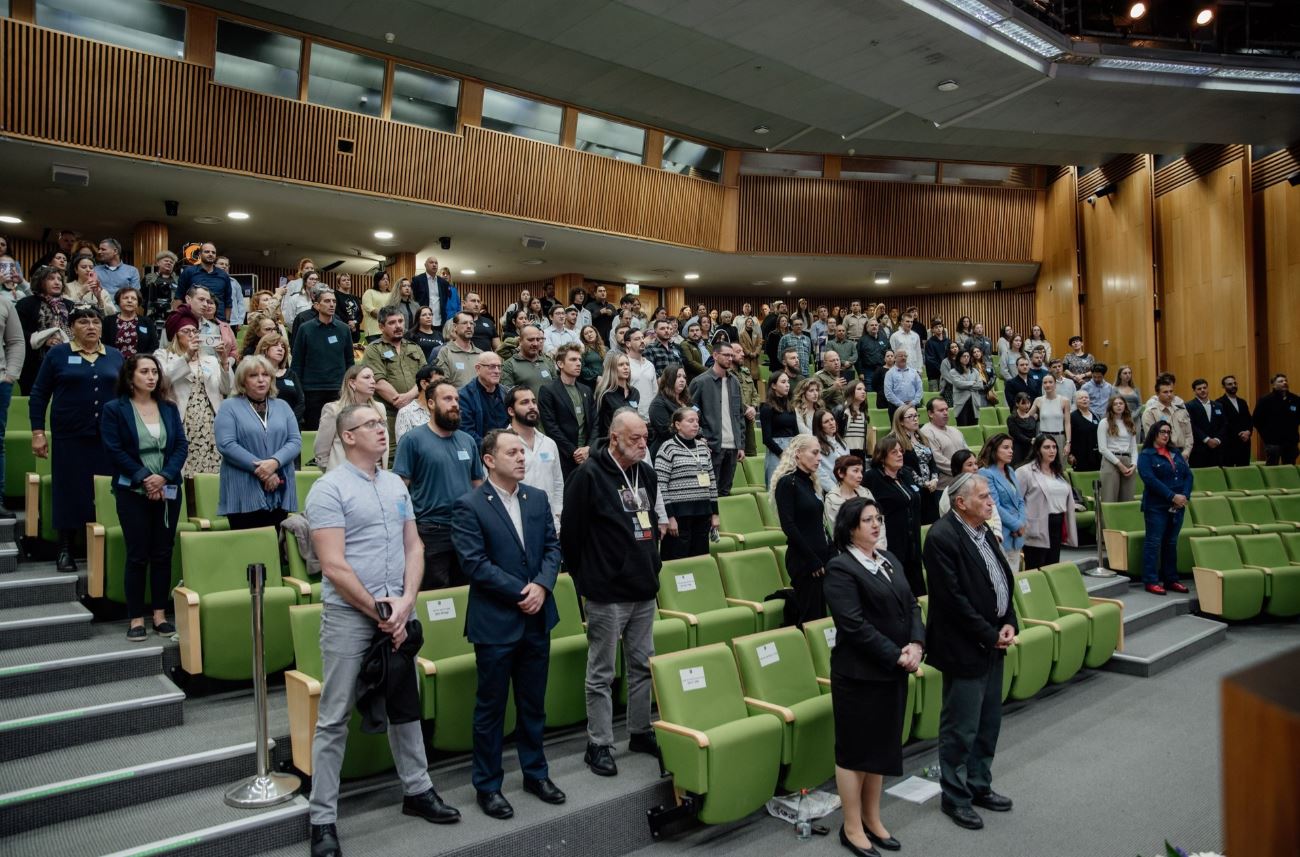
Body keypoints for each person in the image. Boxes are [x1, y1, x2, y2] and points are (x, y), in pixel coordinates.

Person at [306, 404, 461, 857]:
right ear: (347, 436)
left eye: (381, 423)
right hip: (351, 617)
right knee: (334, 717)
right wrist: (380, 611)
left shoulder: (395, 483)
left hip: (398, 610)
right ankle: (322, 819)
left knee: (405, 704)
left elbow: (414, 544)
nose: (382, 430)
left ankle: (417, 790)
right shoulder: (328, 488)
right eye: (371, 424)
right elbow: (333, 565)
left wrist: (406, 602)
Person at [449, 429, 566, 820]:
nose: (521, 458)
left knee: (534, 705)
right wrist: (524, 591)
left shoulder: (537, 498)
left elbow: (552, 548)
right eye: (512, 452)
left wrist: (544, 586)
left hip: (537, 620)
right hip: (497, 622)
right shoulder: (470, 505)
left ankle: (536, 773)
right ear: (488, 459)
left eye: (523, 452)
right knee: (491, 709)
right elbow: (474, 564)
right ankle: (488, 785)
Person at [560, 410, 662, 777]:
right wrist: (588, 578)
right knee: (602, 672)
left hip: (643, 587)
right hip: (606, 593)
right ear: (614, 437)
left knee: (641, 665)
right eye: (635, 438)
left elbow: (648, 523)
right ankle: (599, 742)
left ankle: (639, 730)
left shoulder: (646, 473)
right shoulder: (587, 476)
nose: (642, 444)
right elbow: (570, 537)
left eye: (645, 438)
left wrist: (654, 568)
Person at [825, 496, 922, 857]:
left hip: (894, 670)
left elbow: (912, 604)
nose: (876, 525)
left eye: (878, 519)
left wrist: (916, 644)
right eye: (868, 520)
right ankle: (851, 828)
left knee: (881, 747)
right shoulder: (841, 568)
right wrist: (897, 655)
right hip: (859, 675)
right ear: (851, 528)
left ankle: (872, 818)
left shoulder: (889, 560)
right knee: (855, 752)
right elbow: (854, 625)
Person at [925, 472, 1018, 831]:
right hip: (964, 644)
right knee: (961, 727)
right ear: (961, 502)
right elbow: (952, 600)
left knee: (988, 722)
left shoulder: (983, 532)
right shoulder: (942, 537)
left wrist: (1009, 619)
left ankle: (980, 785)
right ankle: (955, 796)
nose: (990, 500)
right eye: (983, 496)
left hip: (993, 640)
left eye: (989, 494)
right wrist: (989, 633)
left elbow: (1002, 581)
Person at [29, 306, 124, 572]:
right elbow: (38, 395)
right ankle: (65, 548)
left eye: (95, 321)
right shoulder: (58, 355)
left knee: (107, 491)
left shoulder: (114, 356)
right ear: (72, 327)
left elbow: (127, 397)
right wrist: (38, 433)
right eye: (83, 322)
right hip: (69, 436)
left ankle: (105, 548)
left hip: (108, 437)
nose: (91, 326)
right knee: (69, 490)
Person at [100, 354, 187, 641]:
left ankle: (160, 614)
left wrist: (163, 477)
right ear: (130, 377)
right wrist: (145, 478)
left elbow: (180, 447)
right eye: (144, 372)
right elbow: (113, 449)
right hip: (132, 490)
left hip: (169, 488)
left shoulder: (169, 408)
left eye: (154, 372)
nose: (151, 377)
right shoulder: (115, 409)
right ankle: (136, 617)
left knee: (163, 553)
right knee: (137, 555)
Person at [394, 380, 484, 589]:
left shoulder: (467, 441)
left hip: (466, 529)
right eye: (447, 399)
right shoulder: (412, 440)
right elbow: (399, 490)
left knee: (467, 592)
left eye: (457, 399)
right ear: (431, 403)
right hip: (430, 530)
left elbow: (478, 485)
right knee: (436, 598)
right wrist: (410, 534)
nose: (455, 404)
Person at [215, 356, 301, 531]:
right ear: (242, 381)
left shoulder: (282, 406)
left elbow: (295, 441)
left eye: (266, 375)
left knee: (275, 548)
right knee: (247, 549)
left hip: (280, 484)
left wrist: (274, 463)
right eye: (253, 375)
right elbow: (227, 444)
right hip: (243, 486)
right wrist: (264, 472)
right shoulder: (229, 406)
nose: (261, 380)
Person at [156, 307, 231, 477]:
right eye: (186, 331)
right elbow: (162, 381)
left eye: (194, 331)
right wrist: (187, 357)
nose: (192, 334)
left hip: (208, 423)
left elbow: (226, 389)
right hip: (181, 421)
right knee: (182, 472)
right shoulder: (163, 355)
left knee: (210, 474)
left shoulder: (210, 359)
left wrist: (224, 362)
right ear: (175, 334)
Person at [772, 435, 832, 624]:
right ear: (798, 454)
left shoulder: (809, 482)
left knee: (821, 615)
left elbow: (818, 524)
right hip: (804, 561)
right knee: (811, 619)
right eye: (814, 452)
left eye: (820, 453)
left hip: (820, 560)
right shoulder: (787, 483)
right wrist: (812, 560)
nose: (819, 458)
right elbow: (789, 526)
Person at [1136, 420, 1194, 596]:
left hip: (1178, 505)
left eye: (1168, 432)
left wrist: (1184, 496)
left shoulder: (1175, 452)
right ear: (1154, 433)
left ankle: (1171, 579)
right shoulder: (1146, 455)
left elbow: (1188, 475)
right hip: (1157, 506)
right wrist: (1172, 496)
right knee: (1154, 543)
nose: (1166, 435)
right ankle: (1151, 580)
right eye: (1163, 431)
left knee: (1171, 543)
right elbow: (1150, 480)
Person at [654, 407, 719, 561]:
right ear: (677, 424)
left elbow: (712, 481)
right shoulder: (667, 448)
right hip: (678, 516)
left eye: (697, 421)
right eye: (690, 421)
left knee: (700, 560)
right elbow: (660, 485)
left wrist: (715, 514)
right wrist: (668, 517)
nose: (696, 424)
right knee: (678, 561)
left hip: (702, 514)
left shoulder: (703, 447)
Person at [863, 435, 924, 597]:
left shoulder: (906, 474)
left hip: (913, 544)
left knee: (918, 593)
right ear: (882, 456)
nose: (900, 454)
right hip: (891, 545)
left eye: (901, 451)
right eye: (894, 452)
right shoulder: (872, 478)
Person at [688, 339, 747, 496]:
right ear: (715, 355)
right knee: (708, 493)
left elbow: (739, 415)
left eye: (731, 355)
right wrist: (701, 435)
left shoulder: (734, 381)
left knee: (725, 492)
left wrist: (740, 444)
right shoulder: (700, 382)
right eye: (726, 355)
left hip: (732, 447)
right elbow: (690, 413)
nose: (730, 358)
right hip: (712, 446)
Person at [292, 287, 355, 431]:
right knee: (313, 430)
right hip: (311, 390)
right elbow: (297, 362)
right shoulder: (305, 329)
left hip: (338, 389)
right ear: (317, 306)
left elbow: (350, 362)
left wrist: (349, 387)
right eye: (327, 301)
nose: (332, 304)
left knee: (339, 431)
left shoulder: (343, 329)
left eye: (333, 301)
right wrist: (299, 390)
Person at [506, 387, 564, 533]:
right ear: (511, 411)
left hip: (550, 524)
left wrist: (557, 512)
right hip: (515, 524)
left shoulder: (549, 443)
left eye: (533, 401)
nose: (532, 406)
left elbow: (558, 482)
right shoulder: (500, 444)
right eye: (524, 402)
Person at [1016, 434, 1077, 569]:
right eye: (1047, 447)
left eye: (1054, 447)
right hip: (1036, 526)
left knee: (1052, 566)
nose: (1052, 451)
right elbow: (1016, 501)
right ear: (1038, 450)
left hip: (1057, 523)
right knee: (1036, 568)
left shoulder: (1057, 472)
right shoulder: (1025, 472)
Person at [315, 364, 388, 472]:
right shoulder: (334, 410)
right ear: (352, 383)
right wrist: (333, 472)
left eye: (373, 377)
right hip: (343, 476)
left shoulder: (380, 408)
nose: (373, 381)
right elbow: (321, 450)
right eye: (367, 377)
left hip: (376, 475)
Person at [538, 344, 594, 481]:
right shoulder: (548, 390)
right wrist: (573, 452)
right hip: (564, 456)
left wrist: (589, 448)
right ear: (560, 364)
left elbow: (595, 422)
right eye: (573, 360)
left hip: (588, 455)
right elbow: (551, 426)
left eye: (580, 360)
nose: (578, 363)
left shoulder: (586, 390)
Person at [15, 265, 74, 394]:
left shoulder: (70, 305)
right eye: (51, 278)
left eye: (59, 279)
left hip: (67, 362)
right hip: (33, 363)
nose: (57, 282)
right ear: (40, 281)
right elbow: (17, 333)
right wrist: (44, 340)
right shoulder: (26, 303)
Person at [978, 433, 1027, 572]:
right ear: (994, 450)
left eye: (1011, 448)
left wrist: (1022, 523)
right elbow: (994, 506)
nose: (1011, 451)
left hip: (1017, 534)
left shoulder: (1010, 470)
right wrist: (1017, 525)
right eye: (1005, 447)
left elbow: (1020, 500)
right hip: (1003, 533)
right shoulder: (985, 473)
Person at [939, 450, 1004, 538]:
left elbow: (994, 513)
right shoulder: (949, 492)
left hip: (990, 537)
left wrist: (997, 535)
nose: (975, 468)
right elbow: (955, 521)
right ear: (958, 468)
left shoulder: (980, 486)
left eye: (976, 463)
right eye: (970, 465)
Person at [893, 405, 941, 525]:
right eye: (910, 416)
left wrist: (934, 479)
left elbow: (932, 461)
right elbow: (903, 467)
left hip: (930, 488)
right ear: (901, 421)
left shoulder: (922, 437)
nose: (915, 419)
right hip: (913, 489)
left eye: (916, 415)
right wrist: (922, 483)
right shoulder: (896, 441)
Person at [822, 454, 883, 540]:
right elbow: (837, 534)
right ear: (841, 473)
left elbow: (880, 521)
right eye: (855, 471)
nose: (860, 475)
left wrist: (880, 546)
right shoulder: (832, 500)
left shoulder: (866, 493)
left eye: (861, 471)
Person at [457, 352, 509, 448]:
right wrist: (491, 449)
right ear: (478, 368)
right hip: (483, 451)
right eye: (492, 367)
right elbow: (467, 432)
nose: (497, 371)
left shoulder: (507, 393)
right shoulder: (464, 396)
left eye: (499, 367)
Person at [919, 397, 968, 490]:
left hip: (963, 480)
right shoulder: (926, 432)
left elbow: (967, 452)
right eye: (941, 410)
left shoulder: (955, 430)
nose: (945, 413)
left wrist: (969, 467)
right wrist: (963, 471)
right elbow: (938, 461)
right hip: (944, 487)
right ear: (930, 414)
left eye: (946, 409)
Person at [1097, 395, 1139, 504]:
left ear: (1125, 405)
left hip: (1127, 461)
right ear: (1111, 407)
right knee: (1109, 499)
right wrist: (1119, 465)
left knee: (1127, 499)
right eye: (1115, 404)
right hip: (1111, 460)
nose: (1118, 406)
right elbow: (1102, 448)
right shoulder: (1104, 423)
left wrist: (1134, 465)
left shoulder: (1129, 422)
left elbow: (1134, 447)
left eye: (1121, 403)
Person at [760, 370, 798, 487]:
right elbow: (766, 439)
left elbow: (796, 432)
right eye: (783, 382)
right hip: (777, 451)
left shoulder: (790, 406)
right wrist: (782, 454)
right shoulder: (767, 407)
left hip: (792, 449)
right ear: (773, 385)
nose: (787, 385)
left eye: (788, 382)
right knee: (776, 487)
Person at [647, 363, 690, 459]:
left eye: (684, 377)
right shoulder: (658, 404)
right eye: (678, 376)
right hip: (666, 453)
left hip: (687, 450)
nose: (682, 380)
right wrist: (692, 434)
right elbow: (666, 432)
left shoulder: (687, 401)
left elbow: (698, 421)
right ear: (669, 379)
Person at [1255, 373, 1299, 465]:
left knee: (1290, 468)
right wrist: (1266, 436)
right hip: (1273, 442)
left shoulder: (1295, 399)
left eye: (1285, 381)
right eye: (1281, 381)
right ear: (1273, 385)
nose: (1284, 383)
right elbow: (1256, 420)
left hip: (1290, 441)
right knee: (1272, 468)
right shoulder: (1265, 400)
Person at [593, 352, 639, 440]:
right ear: (612, 369)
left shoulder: (635, 393)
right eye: (621, 365)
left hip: (631, 440)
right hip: (611, 442)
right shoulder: (605, 394)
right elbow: (598, 424)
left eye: (627, 364)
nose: (626, 367)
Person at [1186, 377, 1228, 469]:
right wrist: (1206, 439)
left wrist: (1217, 439)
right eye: (1199, 389)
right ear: (1194, 391)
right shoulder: (1189, 406)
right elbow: (1192, 425)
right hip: (1199, 448)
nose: (1203, 390)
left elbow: (1224, 424)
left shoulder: (1218, 405)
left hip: (1217, 449)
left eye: (1204, 388)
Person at [395, 365, 441, 443]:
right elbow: (404, 447)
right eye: (438, 383)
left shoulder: (443, 410)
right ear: (424, 384)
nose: (443, 387)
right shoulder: (406, 413)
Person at [411, 255, 459, 327]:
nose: (434, 265)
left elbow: (445, 300)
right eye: (431, 262)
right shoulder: (417, 280)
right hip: (422, 321)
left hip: (439, 321)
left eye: (436, 263)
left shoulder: (443, 283)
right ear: (425, 265)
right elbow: (413, 299)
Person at [1216, 375, 1254, 466]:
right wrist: (1240, 433)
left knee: (1243, 472)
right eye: (1230, 384)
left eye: (1235, 383)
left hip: (1244, 443)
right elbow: (1223, 423)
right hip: (1229, 443)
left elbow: (1249, 420)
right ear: (1223, 387)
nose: (1233, 386)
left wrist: (1248, 432)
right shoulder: (1219, 402)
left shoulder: (1242, 402)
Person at [1031, 373, 1071, 457]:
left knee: (1059, 467)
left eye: (1050, 382)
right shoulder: (1038, 400)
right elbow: (1027, 417)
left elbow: (1067, 423)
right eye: (1045, 382)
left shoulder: (1064, 401)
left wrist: (1068, 443)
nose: (1047, 385)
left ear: (1055, 384)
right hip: (1043, 437)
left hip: (1059, 437)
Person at [812, 408, 851, 494]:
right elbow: (820, 474)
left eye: (832, 419)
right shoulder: (816, 445)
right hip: (830, 491)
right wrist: (836, 492)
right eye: (826, 422)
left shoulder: (842, 443)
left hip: (846, 487)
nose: (831, 423)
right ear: (819, 426)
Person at [883, 349, 922, 420]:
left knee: (912, 429)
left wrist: (913, 402)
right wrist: (902, 405)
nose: (903, 358)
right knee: (897, 430)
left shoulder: (914, 372)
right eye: (900, 356)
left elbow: (919, 389)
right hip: (896, 408)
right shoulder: (889, 373)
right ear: (895, 358)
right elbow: (888, 393)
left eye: (905, 356)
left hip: (912, 407)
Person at [1069, 391, 1102, 472]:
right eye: (1081, 398)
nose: (1084, 400)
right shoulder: (1072, 416)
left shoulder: (1095, 416)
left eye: (1086, 398)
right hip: (1080, 455)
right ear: (1076, 401)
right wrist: (1070, 454)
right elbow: (1069, 436)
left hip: (1095, 455)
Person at [838, 380, 871, 459]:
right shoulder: (842, 410)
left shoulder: (863, 412)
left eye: (864, 390)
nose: (863, 392)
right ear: (851, 391)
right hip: (845, 452)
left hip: (860, 452)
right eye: (859, 389)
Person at [360, 270, 393, 342]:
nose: (386, 281)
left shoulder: (391, 295)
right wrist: (388, 317)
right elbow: (372, 312)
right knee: (377, 353)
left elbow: (394, 311)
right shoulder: (369, 292)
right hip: (373, 332)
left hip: (388, 331)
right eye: (383, 279)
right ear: (377, 281)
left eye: (387, 279)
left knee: (389, 353)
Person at [1007, 392, 1038, 466]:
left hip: (1031, 448)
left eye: (1028, 403)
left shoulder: (1032, 418)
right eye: (1023, 403)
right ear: (1017, 404)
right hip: (1018, 449)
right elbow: (1017, 435)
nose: (1027, 406)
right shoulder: (1012, 418)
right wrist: (1030, 440)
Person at [578, 325, 606, 389]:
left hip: (607, 381)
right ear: (583, 337)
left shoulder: (605, 349)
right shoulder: (582, 350)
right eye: (586, 334)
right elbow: (581, 367)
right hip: (591, 383)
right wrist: (596, 377)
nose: (589, 334)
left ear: (596, 333)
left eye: (591, 332)